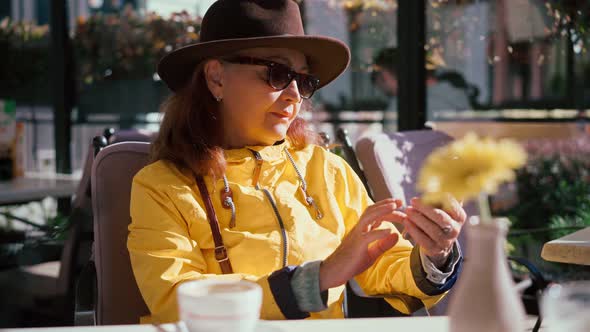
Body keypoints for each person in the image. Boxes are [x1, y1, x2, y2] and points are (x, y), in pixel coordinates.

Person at [128, 0, 466, 324]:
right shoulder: (161, 186)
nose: (293, 94)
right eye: (276, 73)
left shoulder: (326, 169)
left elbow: (382, 265)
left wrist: (434, 255)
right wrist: (318, 278)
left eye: (304, 81)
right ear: (216, 77)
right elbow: (176, 299)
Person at [372, 47, 474, 131]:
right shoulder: (457, 93)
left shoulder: (402, 106)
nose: (382, 91)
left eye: (380, 84)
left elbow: (389, 149)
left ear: (385, 76)